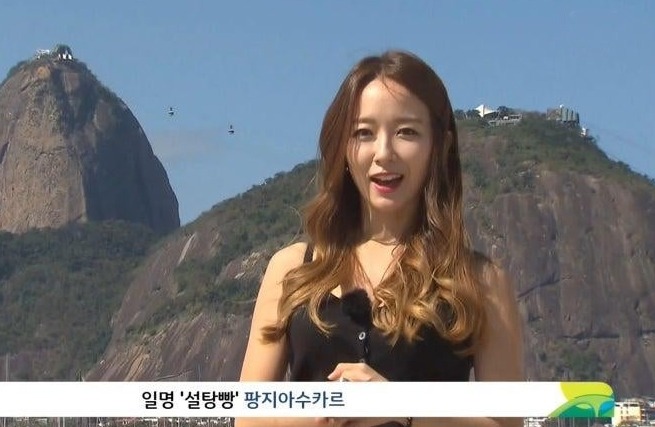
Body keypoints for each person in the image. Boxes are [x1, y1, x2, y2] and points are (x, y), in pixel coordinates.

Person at [236, 50, 524, 427]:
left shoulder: (482, 282)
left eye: (407, 132)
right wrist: (329, 410)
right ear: (343, 147)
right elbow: (249, 418)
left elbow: (506, 423)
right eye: (363, 133)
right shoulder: (291, 269)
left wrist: (403, 409)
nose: (384, 153)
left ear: (439, 146)